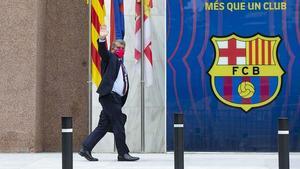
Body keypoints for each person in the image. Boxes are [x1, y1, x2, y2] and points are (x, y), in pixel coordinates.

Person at [79, 25, 139, 162]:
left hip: (115, 99)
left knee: (103, 126)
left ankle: (85, 148)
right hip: (109, 97)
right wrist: (102, 38)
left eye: (123, 48)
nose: (120, 50)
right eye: (118, 48)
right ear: (112, 49)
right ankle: (123, 154)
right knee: (118, 124)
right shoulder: (110, 58)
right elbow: (102, 52)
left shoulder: (120, 63)